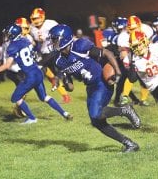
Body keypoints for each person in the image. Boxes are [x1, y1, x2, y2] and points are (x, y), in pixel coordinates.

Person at [49, 24, 140, 153]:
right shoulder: (59, 60)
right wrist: (63, 80)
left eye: (54, 39)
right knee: (96, 121)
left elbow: (107, 53)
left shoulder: (80, 45)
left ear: (64, 38)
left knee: (95, 113)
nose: (53, 43)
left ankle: (125, 110)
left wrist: (118, 72)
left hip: (101, 81)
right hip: (91, 87)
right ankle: (129, 144)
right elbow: (71, 87)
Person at [0, 24, 72, 124]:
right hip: (38, 72)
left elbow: (7, 65)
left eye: (7, 34)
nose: (6, 36)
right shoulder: (25, 41)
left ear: (12, 35)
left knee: (15, 98)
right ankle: (64, 113)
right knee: (44, 97)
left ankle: (32, 118)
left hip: (29, 76)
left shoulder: (12, 46)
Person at [30, 7, 71, 103]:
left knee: (38, 69)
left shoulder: (51, 24)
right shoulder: (32, 28)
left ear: (42, 16)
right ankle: (65, 95)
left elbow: (61, 33)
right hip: (44, 53)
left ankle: (24, 94)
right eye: (34, 18)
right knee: (50, 76)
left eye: (37, 18)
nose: (35, 21)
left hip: (54, 52)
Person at [118, 15, 153, 106]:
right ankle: (125, 96)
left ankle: (143, 99)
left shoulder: (147, 30)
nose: (134, 30)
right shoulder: (124, 36)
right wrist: (127, 59)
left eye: (135, 28)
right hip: (133, 56)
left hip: (145, 55)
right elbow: (123, 51)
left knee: (145, 78)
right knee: (132, 77)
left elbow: (150, 44)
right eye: (131, 29)